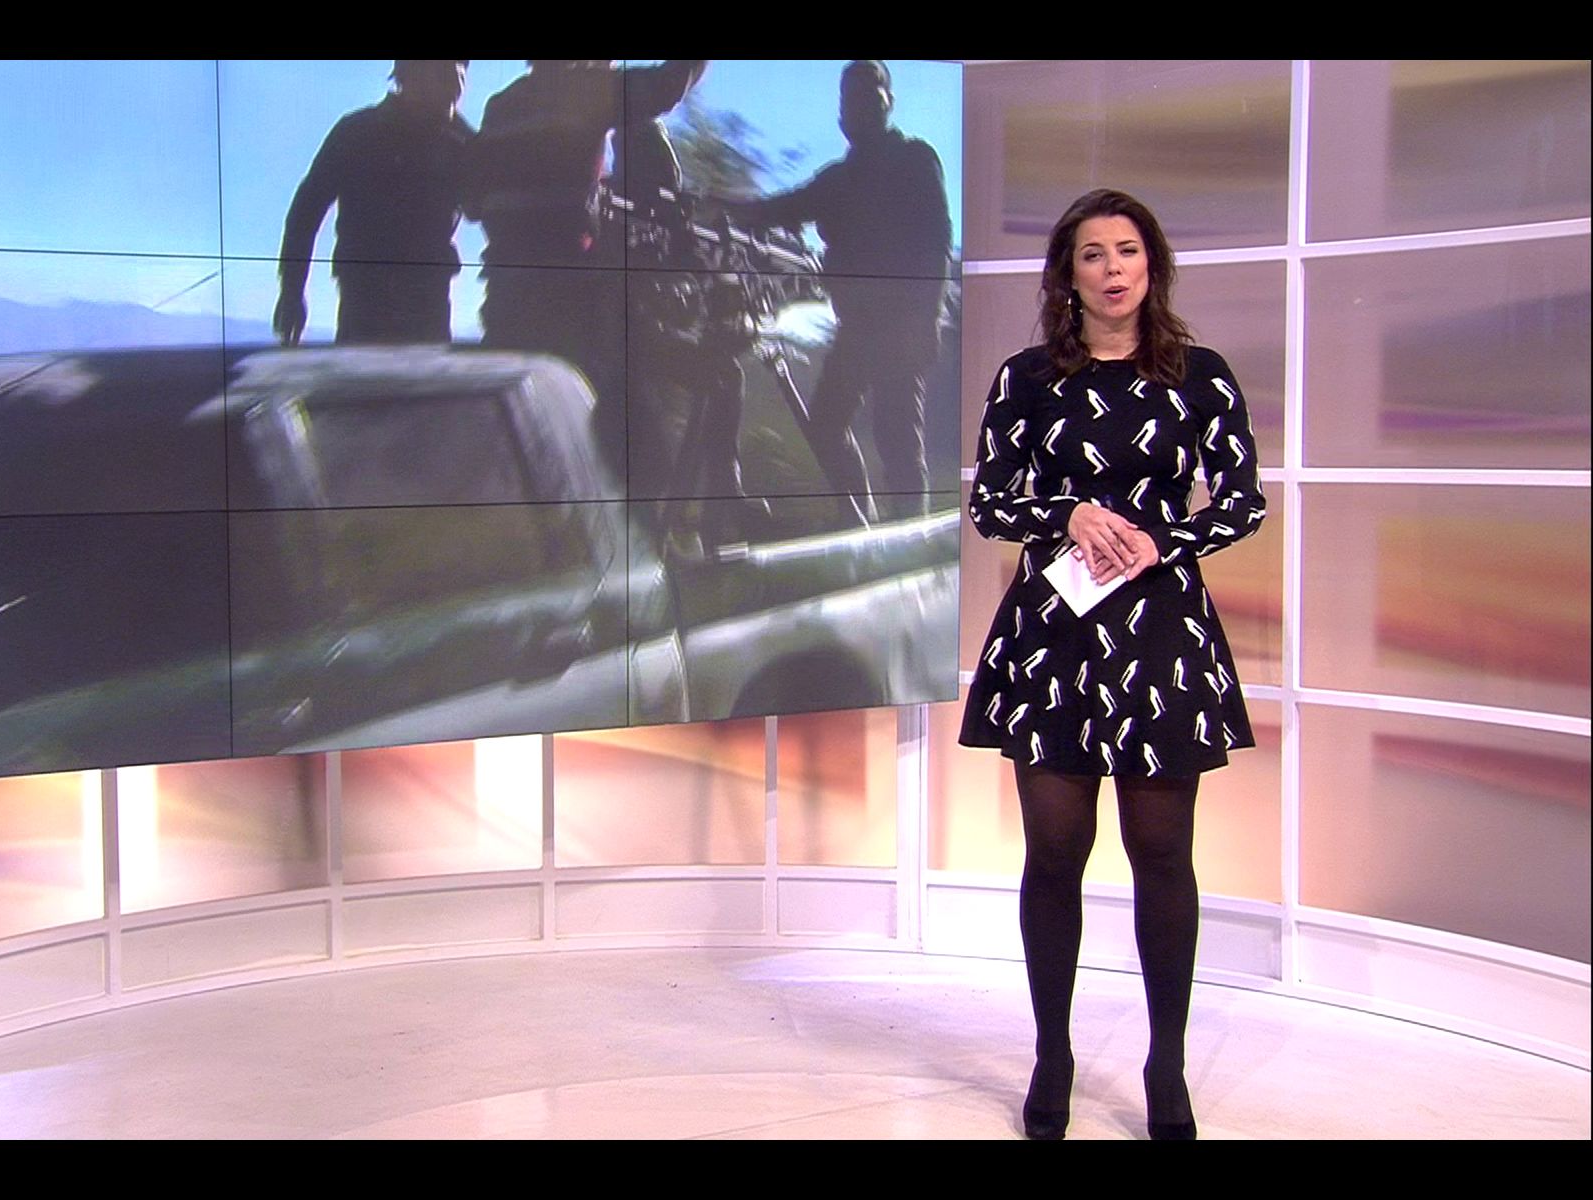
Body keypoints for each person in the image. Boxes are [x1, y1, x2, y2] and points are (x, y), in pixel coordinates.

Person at [957, 189, 1265, 1141]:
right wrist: (1067, 514)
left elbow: (1243, 502)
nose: (1112, 268)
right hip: (1054, 633)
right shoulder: (1026, 379)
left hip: (1161, 633)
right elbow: (990, 504)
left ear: (1152, 265)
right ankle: (1052, 1055)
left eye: (1127, 250)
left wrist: (1161, 538)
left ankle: (1165, 1067)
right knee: (1054, 855)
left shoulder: (1201, 376)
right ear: (1068, 274)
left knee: (1162, 854)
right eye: (1092, 254)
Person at [724, 59, 950, 522]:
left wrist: (926, 319)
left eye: (868, 94)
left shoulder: (914, 159)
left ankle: (915, 541)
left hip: (902, 327)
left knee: (897, 438)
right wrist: (723, 209)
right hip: (857, 329)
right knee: (826, 424)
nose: (857, 106)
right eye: (850, 98)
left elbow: (937, 242)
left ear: (888, 101)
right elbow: (782, 208)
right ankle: (862, 523)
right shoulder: (837, 180)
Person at [465, 60, 706, 479]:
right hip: (567, 298)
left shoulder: (500, 104)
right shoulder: (587, 89)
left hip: (504, 293)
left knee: (513, 437)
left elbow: (472, 202)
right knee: (617, 440)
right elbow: (668, 86)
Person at [274, 60, 472, 347]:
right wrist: (291, 290)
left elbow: (488, 209)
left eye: (460, 72)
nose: (456, 83)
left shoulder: (462, 143)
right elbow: (305, 214)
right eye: (443, 72)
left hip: (427, 303)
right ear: (411, 73)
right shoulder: (357, 134)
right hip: (365, 301)